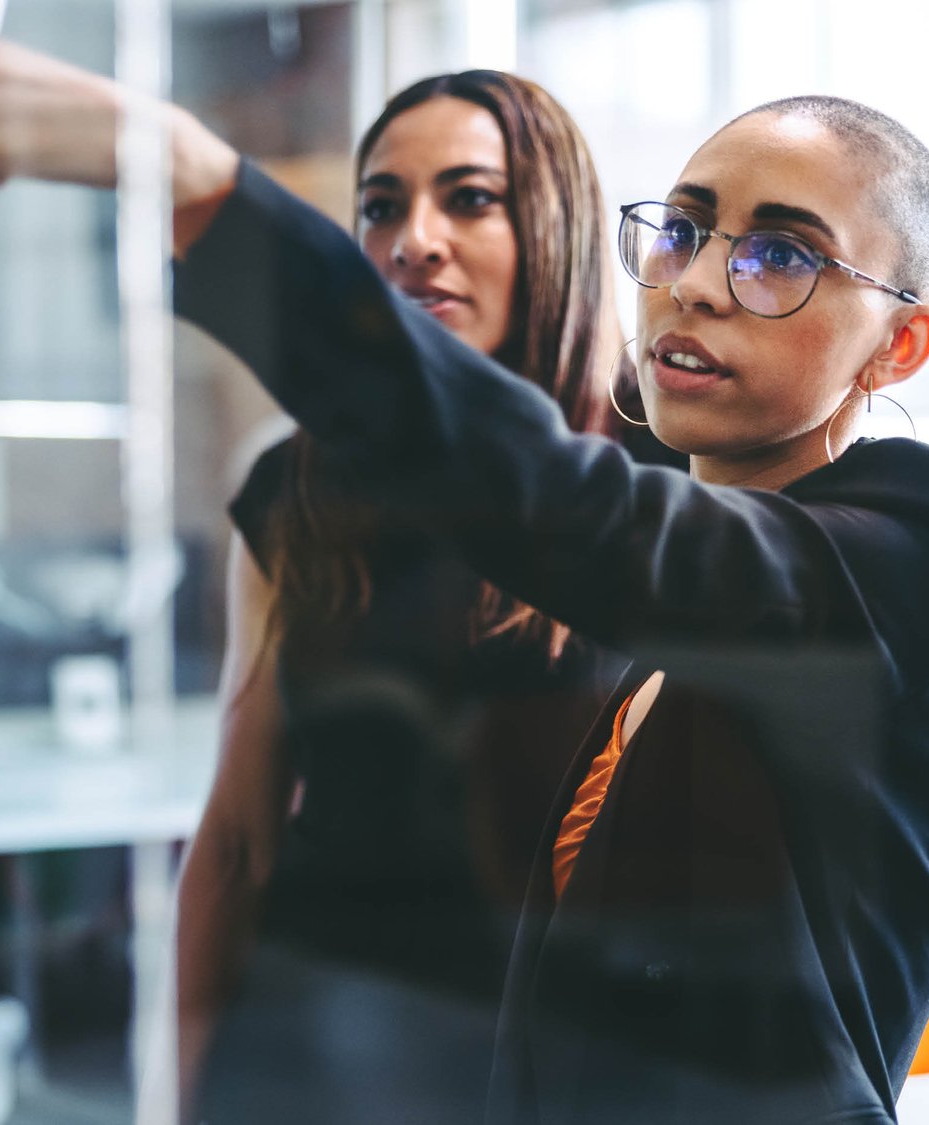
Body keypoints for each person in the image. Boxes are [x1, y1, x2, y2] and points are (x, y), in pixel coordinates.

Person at [0, 4, 929, 1122]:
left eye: (779, 256)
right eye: (682, 230)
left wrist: (203, 188)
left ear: (896, 345)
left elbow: (573, 511)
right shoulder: (611, 570)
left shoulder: (913, 546)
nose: (697, 281)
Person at [176, 70, 675, 1123]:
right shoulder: (297, 482)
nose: (413, 241)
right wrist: (175, 1085)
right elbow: (236, 835)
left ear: (554, 224)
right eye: (380, 206)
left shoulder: (660, 478)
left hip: (570, 1057)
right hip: (314, 1043)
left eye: (469, 198)